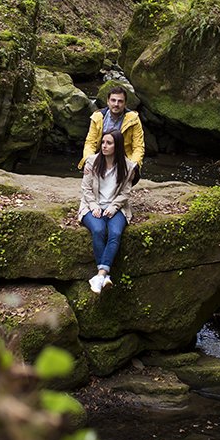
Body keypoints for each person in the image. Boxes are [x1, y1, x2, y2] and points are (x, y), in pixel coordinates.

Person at [77, 129, 137, 294]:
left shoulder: (128, 166)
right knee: (98, 229)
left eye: (109, 143)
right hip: (91, 205)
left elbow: (125, 192)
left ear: (117, 146)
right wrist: (94, 205)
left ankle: (100, 276)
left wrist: (113, 207)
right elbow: (86, 188)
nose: (104, 146)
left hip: (116, 207)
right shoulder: (91, 162)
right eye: (103, 142)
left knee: (115, 233)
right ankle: (104, 276)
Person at [78, 86, 144, 184]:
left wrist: (134, 165)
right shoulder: (98, 117)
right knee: (89, 170)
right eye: (113, 100)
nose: (116, 104)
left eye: (120, 101)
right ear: (108, 101)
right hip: (102, 158)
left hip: (123, 160)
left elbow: (138, 146)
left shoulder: (133, 119)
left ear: (125, 103)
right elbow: (90, 143)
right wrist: (88, 160)